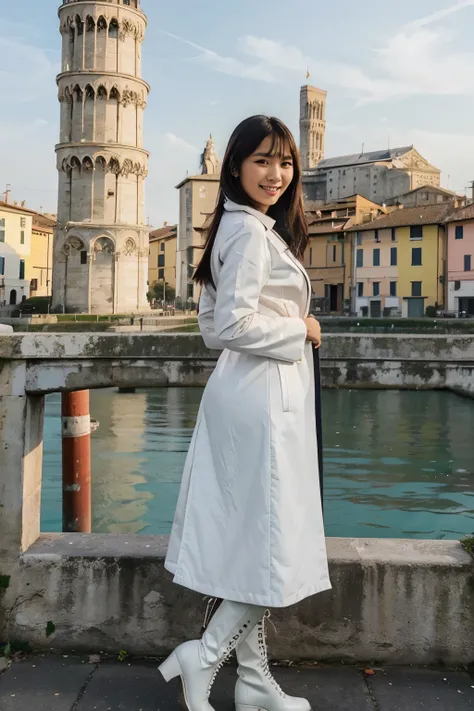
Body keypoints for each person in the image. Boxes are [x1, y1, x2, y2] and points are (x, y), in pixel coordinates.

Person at [159, 115, 331, 711]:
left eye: (285, 163)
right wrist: (301, 327)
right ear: (234, 166)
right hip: (261, 399)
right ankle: (202, 657)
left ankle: (255, 681)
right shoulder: (251, 234)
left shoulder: (235, 228)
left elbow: (211, 327)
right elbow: (230, 325)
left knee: (254, 540)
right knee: (270, 541)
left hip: (245, 392)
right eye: (262, 161)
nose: (276, 174)